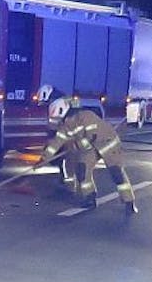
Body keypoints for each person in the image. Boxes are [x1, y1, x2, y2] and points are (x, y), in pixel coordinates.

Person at [37, 85, 137, 214]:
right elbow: (56, 142)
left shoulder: (86, 116)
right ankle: (90, 199)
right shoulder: (65, 125)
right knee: (82, 170)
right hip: (89, 148)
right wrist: (44, 159)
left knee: (116, 172)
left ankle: (129, 201)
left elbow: (94, 135)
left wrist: (79, 144)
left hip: (107, 143)